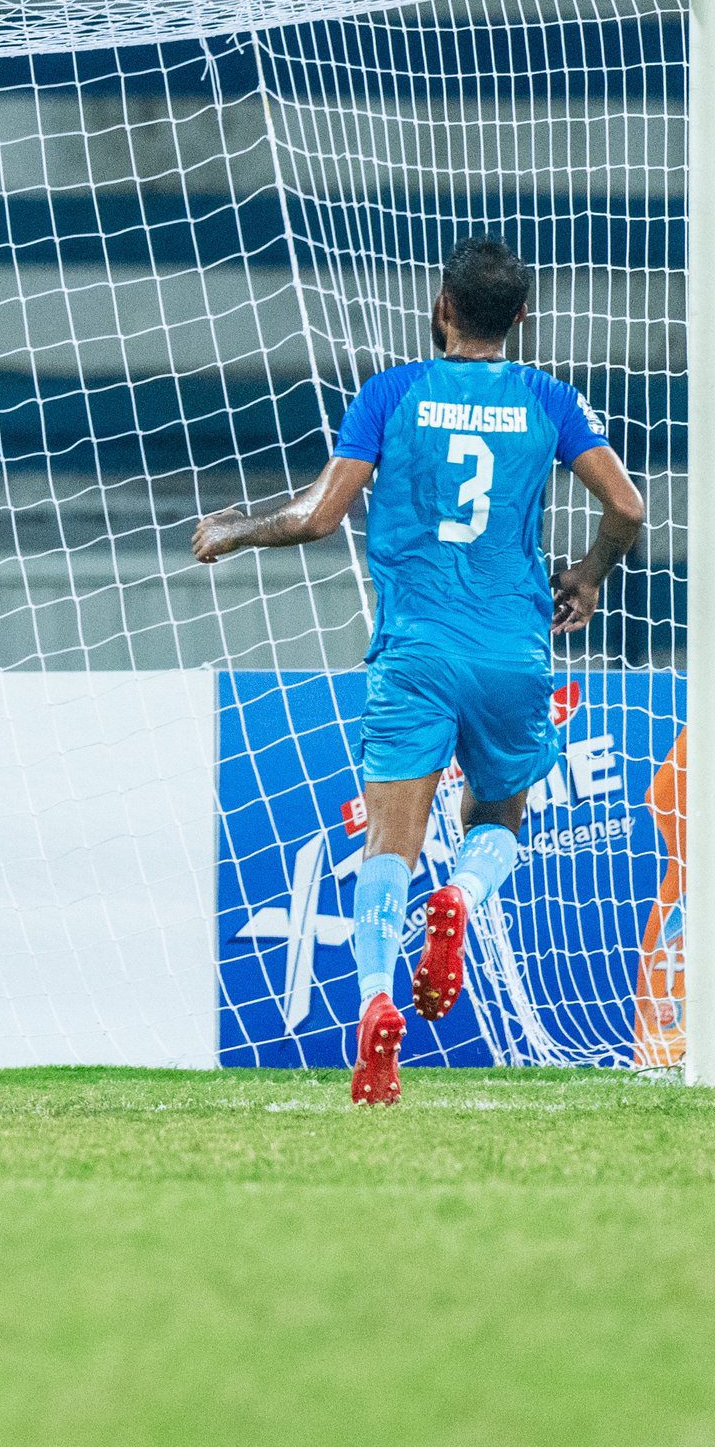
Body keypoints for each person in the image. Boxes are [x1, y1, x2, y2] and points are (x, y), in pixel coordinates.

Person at [193, 237, 644, 1105]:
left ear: (442, 308)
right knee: (500, 812)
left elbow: (320, 516)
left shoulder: (392, 393)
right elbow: (626, 505)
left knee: (386, 846)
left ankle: (371, 1004)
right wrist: (587, 574)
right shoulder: (547, 399)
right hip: (513, 649)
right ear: (520, 316)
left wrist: (240, 526)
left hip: (416, 652)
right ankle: (464, 900)